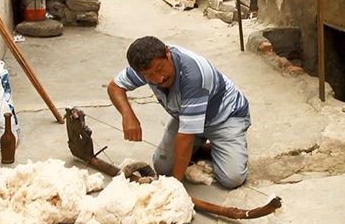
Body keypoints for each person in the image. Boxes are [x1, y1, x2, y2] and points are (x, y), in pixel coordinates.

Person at [107, 36, 250, 189]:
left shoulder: (195, 75)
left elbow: (186, 136)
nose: (159, 78)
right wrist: (128, 115)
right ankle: (204, 148)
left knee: (232, 178)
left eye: (160, 69)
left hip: (224, 117)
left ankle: (220, 145)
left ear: (168, 53)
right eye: (150, 76)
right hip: (185, 116)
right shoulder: (146, 66)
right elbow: (114, 87)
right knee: (163, 167)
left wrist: (173, 187)